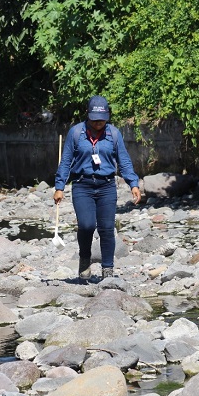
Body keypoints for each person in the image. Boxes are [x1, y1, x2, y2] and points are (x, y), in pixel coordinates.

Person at [53, 95, 141, 281]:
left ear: (107, 116)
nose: (98, 123)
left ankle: (107, 271)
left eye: (102, 119)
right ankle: (85, 259)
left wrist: (133, 183)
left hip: (107, 186)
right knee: (86, 225)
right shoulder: (76, 133)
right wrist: (59, 186)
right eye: (94, 119)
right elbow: (66, 160)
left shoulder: (114, 134)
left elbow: (123, 160)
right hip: (82, 185)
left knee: (107, 228)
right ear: (88, 115)